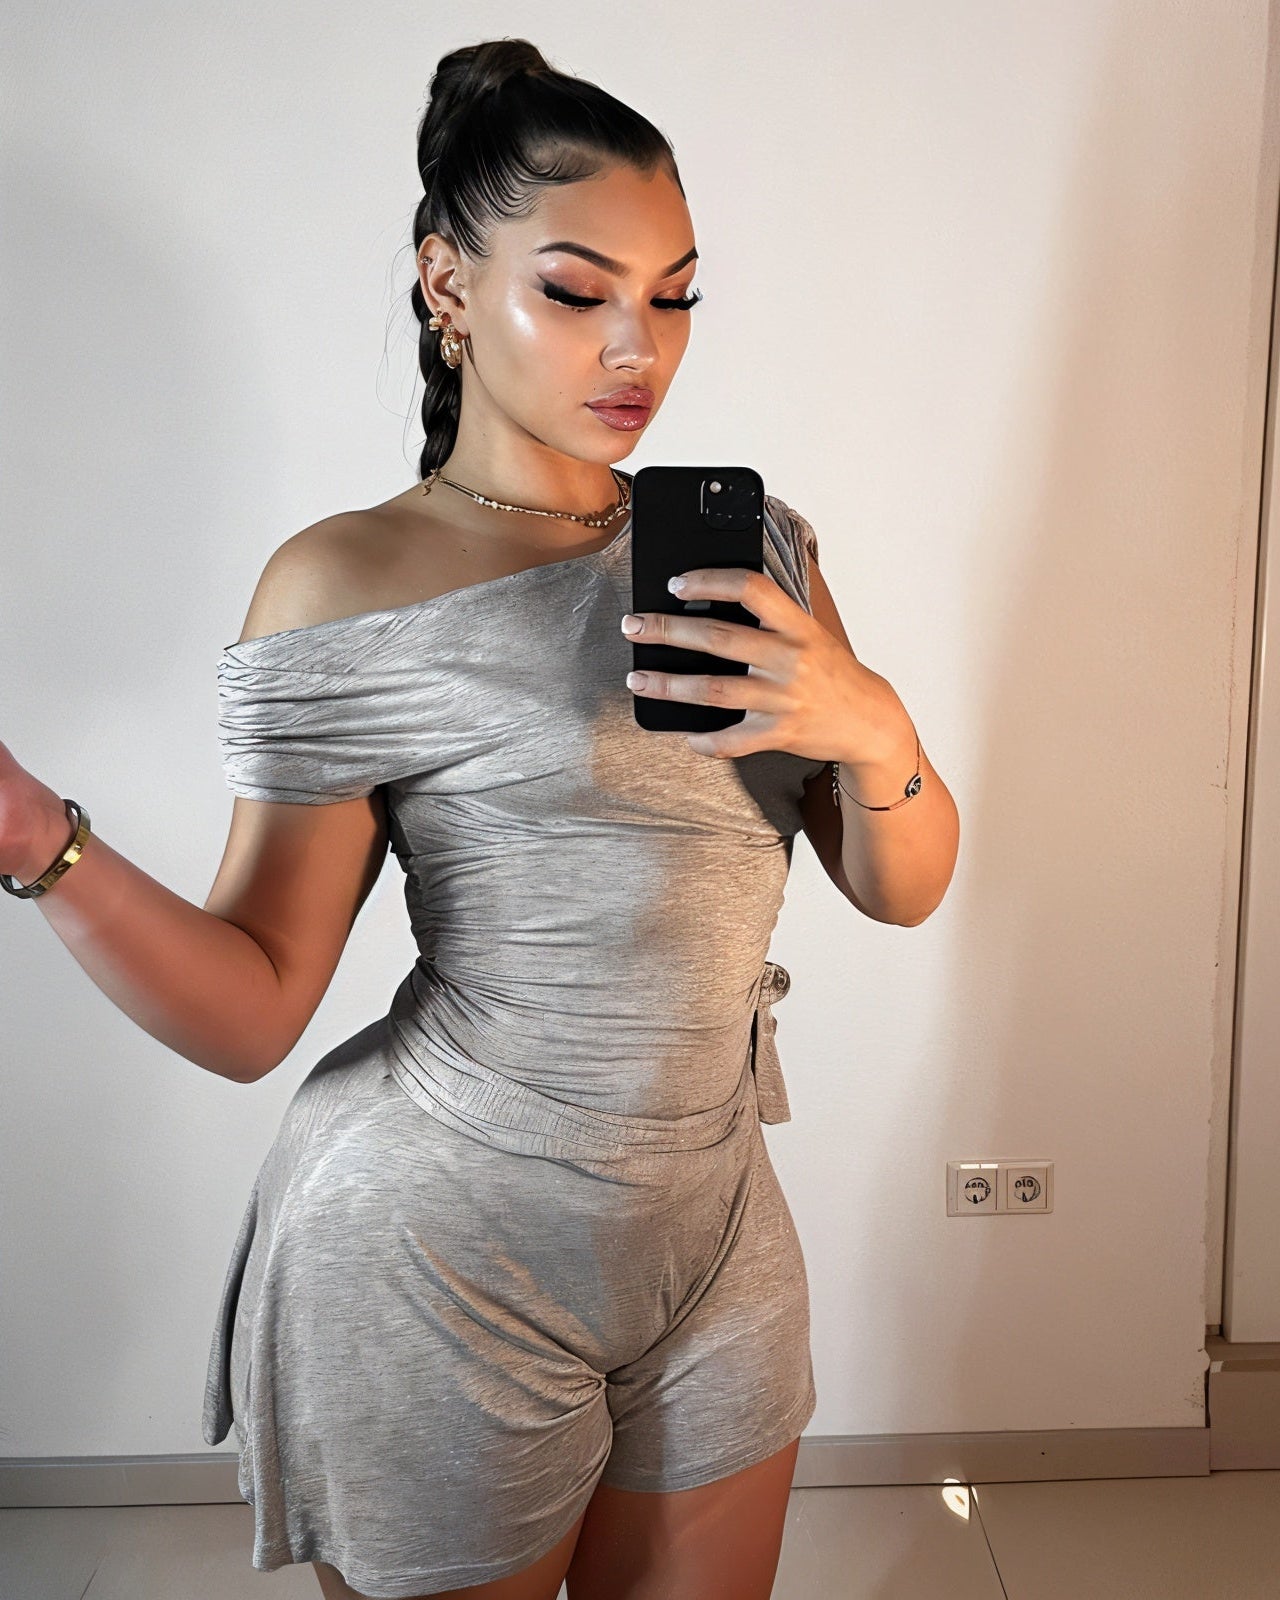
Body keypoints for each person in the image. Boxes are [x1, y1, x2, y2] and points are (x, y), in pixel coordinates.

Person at [0, 36, 958, 1600]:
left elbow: (903, 888)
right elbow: (256, 1007)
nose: (638, 347)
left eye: (676, 296)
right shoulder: (346, 582)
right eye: (577, 292)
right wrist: (30, 834)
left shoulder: (757, 553)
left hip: (714, 1231)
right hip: (446, 1243)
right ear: (448, 284)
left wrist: (872, 727)